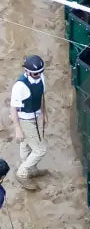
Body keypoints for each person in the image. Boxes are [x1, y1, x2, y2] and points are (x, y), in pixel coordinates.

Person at [10, 54, 48, 190]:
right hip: (25, 119)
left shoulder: (41, 78)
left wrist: (44, 114)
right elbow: (13, 108)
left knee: (26, 145)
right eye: (35, 73)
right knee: (40, 149)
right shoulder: (19, 86)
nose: (38, 74)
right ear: (27, 71)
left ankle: (31, 170)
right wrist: (18, 129)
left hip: (36, 116)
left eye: (40, 72)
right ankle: (22, 172)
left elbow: (42, 96)